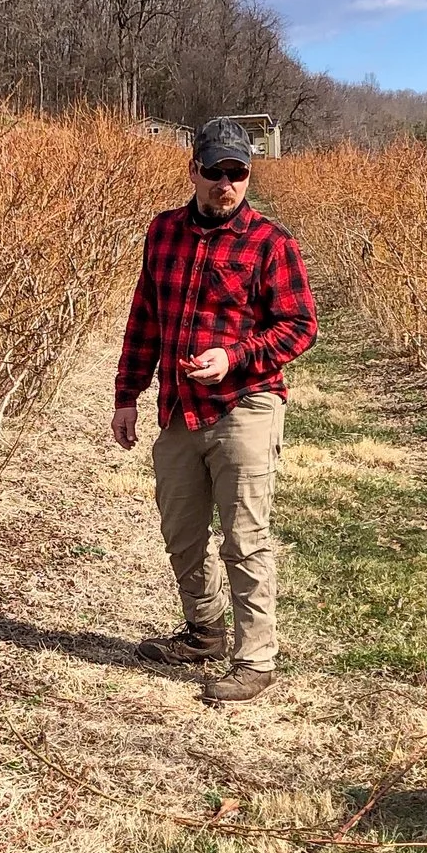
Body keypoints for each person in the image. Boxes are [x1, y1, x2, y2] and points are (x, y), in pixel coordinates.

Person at [111, 118, 318, 705]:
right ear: (194, 169)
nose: (226, 183)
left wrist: (237, 356)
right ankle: (203, 631)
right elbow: (145, 317)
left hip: (245, 404)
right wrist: (127, 395)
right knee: (180, 531)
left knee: (244, 537)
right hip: (179, 407)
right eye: (215, 171)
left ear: (248, 175)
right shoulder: (164, 232)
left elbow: (301, 326)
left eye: (238, 173)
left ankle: (256, 658)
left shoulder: (271, 242)